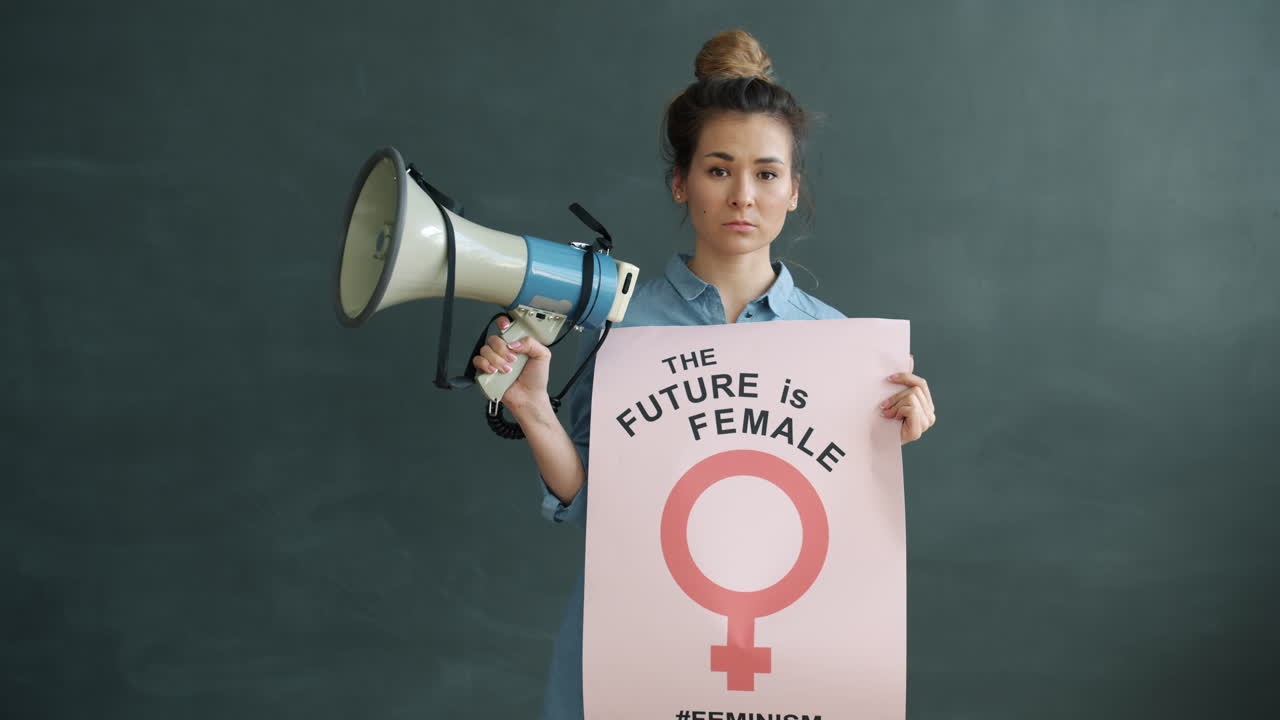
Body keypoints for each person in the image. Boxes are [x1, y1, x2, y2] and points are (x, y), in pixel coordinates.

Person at [470, 28, 938, 720]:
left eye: (767, 173)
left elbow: (841, 538)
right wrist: (533, 410)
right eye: (719, 170)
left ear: (793, 189)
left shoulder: (836, 343)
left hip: (784, 657)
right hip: (632, 637)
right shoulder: (620, 321)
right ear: (680, 183)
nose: (743, 195)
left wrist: (885, 448)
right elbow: (603, 512)